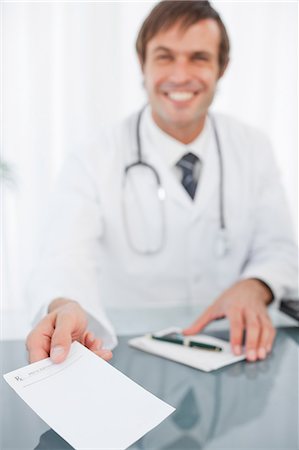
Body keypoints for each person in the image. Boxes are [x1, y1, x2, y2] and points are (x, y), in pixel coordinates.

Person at [26, 1, 297, 365]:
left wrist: (256, 285)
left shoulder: (253, 147)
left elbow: (278, 248)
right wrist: (64, 303)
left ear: (222, 68)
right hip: (129, 357)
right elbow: (64, 255)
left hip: (235, 355)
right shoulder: (94, 155)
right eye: (165, 56)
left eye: (199, 57)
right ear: (143, 63)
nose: (181, 75)